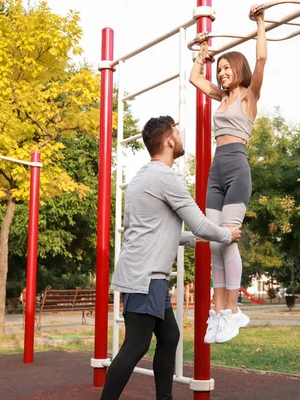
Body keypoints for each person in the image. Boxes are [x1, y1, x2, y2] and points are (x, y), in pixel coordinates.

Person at [100, 116, 241, 400]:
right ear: (168, 141)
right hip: (145, 276)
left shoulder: (143, 176)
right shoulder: (166, 178)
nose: (181, 137)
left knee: (169, 337)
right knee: (136, 345)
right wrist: (227, 235)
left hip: (147, 276)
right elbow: (200, 223)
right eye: (178, 132)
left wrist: (200, 238)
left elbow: (163, 232)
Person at [188, 4, 267, 344]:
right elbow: (194, 78)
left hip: (237, 168)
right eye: (218, 69)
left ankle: (233, 310)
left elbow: (262, 61)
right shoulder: (220, 97)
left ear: (238, 70)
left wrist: (261, 22)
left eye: (225, 68)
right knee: (213, 241)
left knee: (227, 236)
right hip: (215, 169)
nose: (220, 73)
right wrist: (202, 53)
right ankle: (218, 312)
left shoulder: (248, 97)